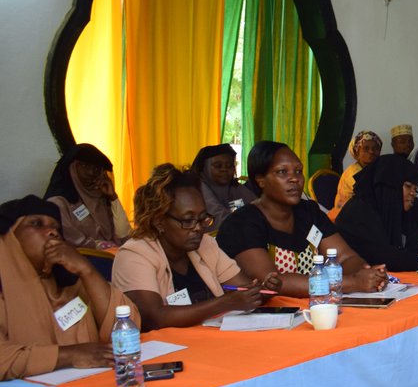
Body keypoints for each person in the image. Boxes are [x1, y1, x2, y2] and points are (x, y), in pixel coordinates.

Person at [113, 165, 281, 330]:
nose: (198, 228)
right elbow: (154, 317)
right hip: (169, 349)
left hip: (211, 341)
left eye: (202, 219)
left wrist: (264, 291)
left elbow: (244, 291)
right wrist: (225, 303)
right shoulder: (134, 255)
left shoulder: (205, 244)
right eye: (188, 220)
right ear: (159, 221)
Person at [217, 141, 388, 297]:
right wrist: (353, 283)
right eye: (282, 172)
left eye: (298, 171)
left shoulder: (309, 212)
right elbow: (274, 282)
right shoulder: (242, 223)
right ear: (260, 179)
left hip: (315, 307)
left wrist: (366, 273)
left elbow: (344, 257)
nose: (295, 179)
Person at [0, 195, 137, 380]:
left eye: (56, 227)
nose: (52, 232)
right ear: (8, 237)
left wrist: (87, 271)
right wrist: (69, 355)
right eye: (36, 224)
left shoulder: (69, 283)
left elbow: (128, 328)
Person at [336, 154, 418, 271]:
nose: (413, 193)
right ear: (390, 186)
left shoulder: (398, 210)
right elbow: (385, 257)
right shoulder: (358, 212)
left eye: (415, 187)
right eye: (408, 186)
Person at [44, 143, 132, 250]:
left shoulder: (99, 195)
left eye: (95, 168)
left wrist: (113, 198)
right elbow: (73, 242)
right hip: (86, 261)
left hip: (115, 256)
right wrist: (104, 247)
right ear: (72, 168)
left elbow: (123, 235)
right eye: (85, 166)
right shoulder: (58, 203)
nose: (91, 172)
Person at [190, 143, 255, 231]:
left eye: (229, 166)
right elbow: (219, 219)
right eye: (218, 166)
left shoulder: (234, 187)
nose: (224, 169)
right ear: (204, 168)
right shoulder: (197, 187)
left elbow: (258, 209)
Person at [335, 130, 383, 209]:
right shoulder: (353, 173)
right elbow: (370, 197)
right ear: (357, 153)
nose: (371, 151)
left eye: (375, 148)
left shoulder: (373, 168)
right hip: (346, 215)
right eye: (366, 148)